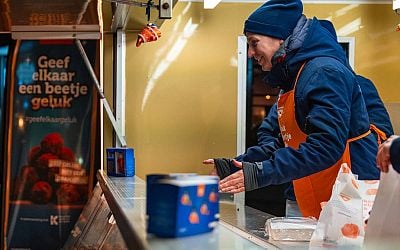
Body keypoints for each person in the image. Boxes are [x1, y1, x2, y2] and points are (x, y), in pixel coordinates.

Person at [204, 0, 392, 219]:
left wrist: (260, 174)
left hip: (348, 199)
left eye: (254, 43)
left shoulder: (323, 71)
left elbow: (326, 146)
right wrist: (237, 165)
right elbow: (289, 141)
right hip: (322, 195)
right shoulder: (298, 77)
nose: (250, 53)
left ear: (280, 37)